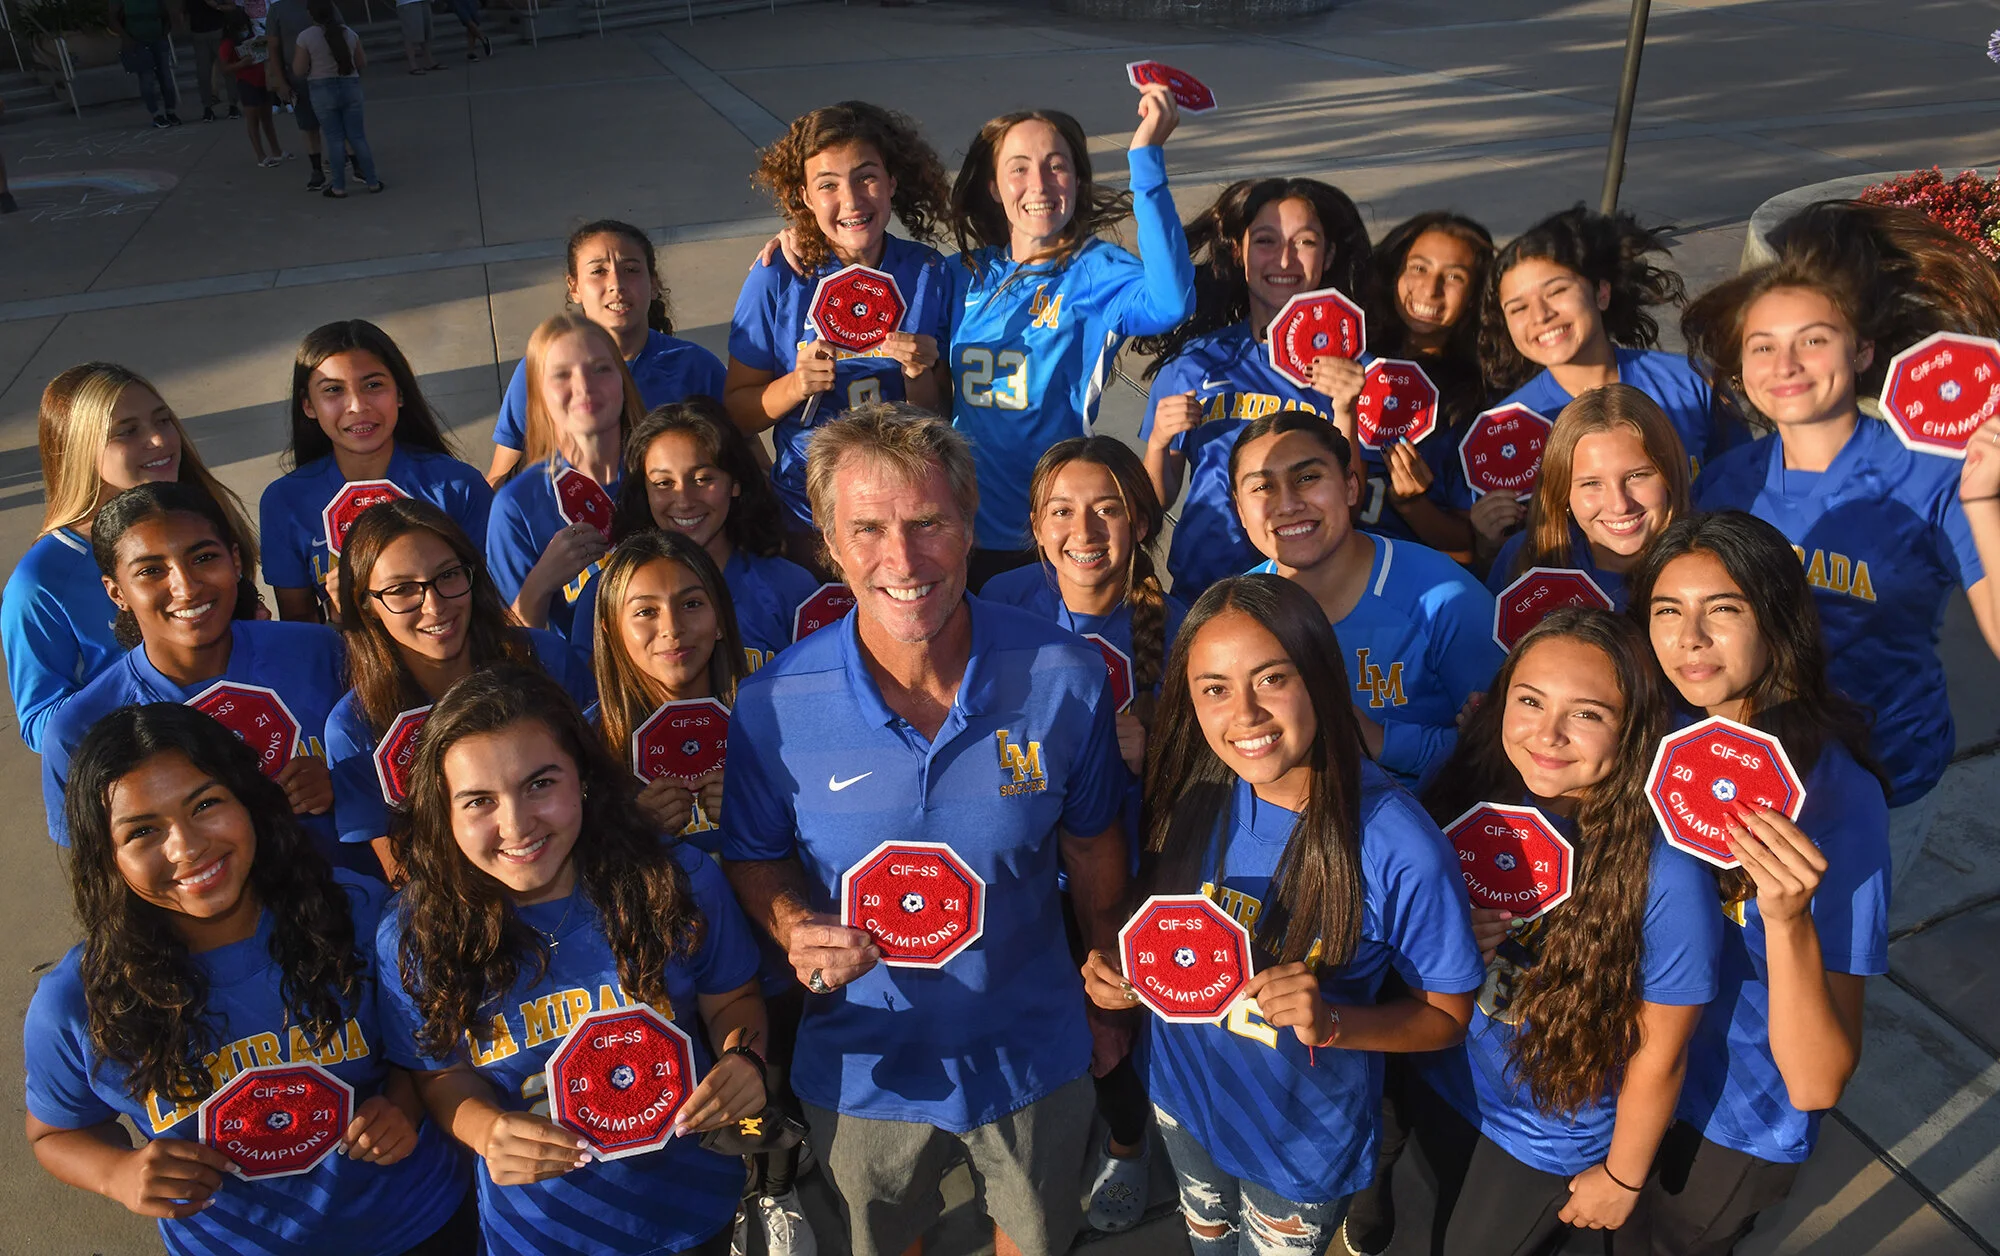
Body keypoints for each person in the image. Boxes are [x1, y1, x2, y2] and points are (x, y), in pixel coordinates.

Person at [720, 404, 1130, 1256]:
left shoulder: (1065, 675)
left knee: (1038, 1239)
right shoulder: (773, 707)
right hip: (864, 1068)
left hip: (1035, 1048)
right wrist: (795, 926)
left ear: (972, 525)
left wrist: (1107, 1000)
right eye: (867, 528)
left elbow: (1092, 843)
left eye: (928, 523)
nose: (901, 560)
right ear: (829, 544)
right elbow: (754, 854)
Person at [1079, 574, 1479, 1253]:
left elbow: (1446, 1017)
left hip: (1299, 1145)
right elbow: (1153, 917)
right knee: (1207, 1244)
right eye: (1214, 689)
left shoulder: (1399, 844)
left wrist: (1332, 1022)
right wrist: (1118, 971)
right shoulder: (1189, 791)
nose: (1245, 715)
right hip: (1183, 1101)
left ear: (1320, 676)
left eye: (1271, 679)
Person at [23, 703, 471, 1254]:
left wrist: (404, 1103)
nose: (186, 848)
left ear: (251, 802)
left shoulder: (358, 915)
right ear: (106, 857)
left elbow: (432, 1050)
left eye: (205, 804)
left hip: (418, 1225)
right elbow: (54, 1132)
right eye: (142, 831)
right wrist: (117, 1172)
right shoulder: (78, 999)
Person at [376, 665, 770, 1255]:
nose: (516, 825)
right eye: (479, 800)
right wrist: (486, 1131)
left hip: (696, 1211)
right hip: (538, 1233)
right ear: (444, 814)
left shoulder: (677, 879)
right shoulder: (414, 936)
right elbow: (439, 1072)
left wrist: (745, 1057)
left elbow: (734, 999)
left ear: (583, 778)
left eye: (541, 784)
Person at [1683, 201, 2000, 885]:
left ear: (1861, 352)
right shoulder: (1726, 484)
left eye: (1814, 340)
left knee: (1848, 963)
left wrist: (1984, 500)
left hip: (1887, 774)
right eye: (1763, 345)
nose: (1785, 364)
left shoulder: (1933, 472)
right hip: (1756, 773)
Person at [1402, 608, 1721, 1255]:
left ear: (1632, 730)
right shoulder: (1475, 781)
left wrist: (1622, 1177)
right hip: (1446, 1077)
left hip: (1543, 1132)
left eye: (1586, 714)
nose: (1547, 735)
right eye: (1529, 701)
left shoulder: (1665, 872)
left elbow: (1661, 1052)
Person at [1627, 511, 1890, 1254]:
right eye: (1667, 611)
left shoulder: (1839, 799)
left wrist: (1787, 919)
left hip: (1730, 1123)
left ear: (1777, 621)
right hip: (1622, 1076)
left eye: (1724, 610)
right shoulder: (1651, 732)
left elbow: (1816, 1084)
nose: (1690, 639)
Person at [980, 436, 1183, 1231]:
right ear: (1034, 525)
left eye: (1108, 509)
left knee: (1115, 1024)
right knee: (1041, 1011)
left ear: (1140, 522)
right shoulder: (998, 600)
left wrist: (1157, 737)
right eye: (1062, 510)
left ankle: (1129, 1146)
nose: (1085, 529)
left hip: (1135, 866)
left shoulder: (1188, 615)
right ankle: (1037, 1155)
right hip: (1027, 865)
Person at [948, 87, 1196, 585]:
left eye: (1056, 165)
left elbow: (1171, 302)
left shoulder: (1094, 271)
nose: (1038, 183)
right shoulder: (962, 274)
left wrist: (1145, 160)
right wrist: (799, 246)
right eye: (1018, 167)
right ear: (994, 186)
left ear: (1078, 182)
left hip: (1053, 534)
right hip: (962, 530)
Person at [40, 484, 351, 874]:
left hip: (353, 910)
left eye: (204, 558)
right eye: (151, 571)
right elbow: (103, 877)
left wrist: (345, 783)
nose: (186, 588)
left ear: (236, 561)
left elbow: (401, 779)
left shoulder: (322, 653)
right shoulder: (80, 731)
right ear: (116, 592)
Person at [726, 101, 952, 565]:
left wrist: (919, 372)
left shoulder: (929, 273)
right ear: (805, 197)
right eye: (827, 184)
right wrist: (795, 385)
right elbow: (736, 415)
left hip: (900, 514)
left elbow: (939, 413)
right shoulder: (778, 276)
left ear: (892, 181)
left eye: (866, 176)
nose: (850, 200)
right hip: (805, 514)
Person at [1232, 410, 1501, 789]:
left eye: (1308, 478)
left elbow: (1504, 749)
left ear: (1351, 487)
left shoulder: (1446, 597)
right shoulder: (1235, 616)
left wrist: (1379, 740)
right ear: (1240, 509)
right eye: (1262, 487)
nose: (1288, 503)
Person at [1134, 177, 1378, 594]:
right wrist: (1158, 442)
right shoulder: (1196, 363)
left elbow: (1357, 505)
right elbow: (1154, 502)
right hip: (1205, 596)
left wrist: (1346, 412)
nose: (1284, 260)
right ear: (1237, 250)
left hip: (1316, 600)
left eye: (1304, 242)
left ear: (1329, 253)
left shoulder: (1359, 371)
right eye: (1266, 240)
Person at [325, 500, 592, 879]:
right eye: (402, 589)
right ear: (366, 604)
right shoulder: (353, 726)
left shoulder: (545, 658)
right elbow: (401, 873)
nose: (434, 606)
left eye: (448, 575)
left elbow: (601, 786)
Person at [4, 363, 260, 754]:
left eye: (163, 420)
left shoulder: (201, 516)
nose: (159, 440)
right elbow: (43, 723)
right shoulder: (40, 581)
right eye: (128, 431)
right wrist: (150, 687)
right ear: (80, 449)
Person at [1471, 206, 1724, 561]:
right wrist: (1486, 540)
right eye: (1518, 308)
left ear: (1601, 293)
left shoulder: (1693, 381)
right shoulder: (1501, 428)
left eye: (1556, 290)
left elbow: (1747, 487)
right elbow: (1509, 560)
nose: (1541, 315)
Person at [260, 320, 490, 623]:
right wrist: (338, 617)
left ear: (400, 393)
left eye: (373, 385)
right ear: (308, 405)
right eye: (333, 390)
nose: (357, 406)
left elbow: (492, 605)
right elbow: (298, 622)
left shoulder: (458, 487)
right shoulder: (284, 500)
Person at [487, 220, 725, 484]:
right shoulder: (542, 370)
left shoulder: (697, 367)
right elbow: (500, 478)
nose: (616, 284)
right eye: (599, 271)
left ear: (654, 283)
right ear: (574, 287)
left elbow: (749, 466)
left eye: (631, 269)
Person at [598, 399, 820, 672]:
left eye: (702, 479)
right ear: (644, 492)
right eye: (663, 483)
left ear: (735, 482)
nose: (684, 500)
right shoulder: (616, 592)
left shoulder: (791, 589)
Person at [485, 314, 643, 642]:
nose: (584, 386)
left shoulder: (663, 476)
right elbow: (512, 649)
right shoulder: (516, 506)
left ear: (623, 382)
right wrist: (542, 581)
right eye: (561, 375)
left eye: (600, 368)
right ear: (538, 396)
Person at [591, 530, 742, 848]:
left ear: (720, 620)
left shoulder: (773, 728)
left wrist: (759, 810)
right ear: (611, 629)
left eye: (691, 604)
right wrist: (632, 829)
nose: (672, 628)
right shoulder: (583, 746)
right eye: (646, 612)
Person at [1485, 383, 1691, 608]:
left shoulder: (1711, 565)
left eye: (1636, 476)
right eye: (1592, 483)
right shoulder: (1522, 559)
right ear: (1562, 491)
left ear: (1670, 474)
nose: (1619, 505)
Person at [1364, 210, 1498, 553]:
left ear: (1476, 295)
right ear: (1395, 271)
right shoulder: (1350, 352)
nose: (1431, 289)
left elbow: (1469, 543)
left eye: (1454, 277)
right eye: (1419, 268)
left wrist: (1412, 504)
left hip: (1408, 573)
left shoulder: (1479, 396)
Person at [293, 0, 384, 198]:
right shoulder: (349, 33)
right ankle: (372, 181)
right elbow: (362, 62)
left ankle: (339, 186)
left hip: (321, 88)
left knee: (334, 139)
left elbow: (298, 70)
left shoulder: (306, 37)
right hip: (349, 85)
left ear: (311, 15)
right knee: (357, 137)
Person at [265, 0, 344, 192]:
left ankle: (347, 162)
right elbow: (273, 48)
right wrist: (281, 81)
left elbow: (341, 31)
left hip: (328, 74)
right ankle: (317, 170)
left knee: (337, 122)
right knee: (308, 126)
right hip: (298, 79)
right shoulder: (277, 9)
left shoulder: (324, 4)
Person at [219, 9, 290, 168]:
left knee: (267, 118)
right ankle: (261, 155)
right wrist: (240, 64)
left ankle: (276, 150)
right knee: (253, 120)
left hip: (262, 79)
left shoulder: (252, 36)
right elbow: (224, 68)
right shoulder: (227, 44)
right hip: (246, 82)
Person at [110, 0, 180, 127]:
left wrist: (164, 34)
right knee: (147, 78)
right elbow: (113, 19)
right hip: (137, 42)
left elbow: (166, 15)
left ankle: (171, 111)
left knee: (166, 77)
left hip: (157, 40)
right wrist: (126, 38)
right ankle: (156, 114)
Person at [184, 0, 241, 123]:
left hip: (217, 31)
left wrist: (217, 6)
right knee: (203, 73)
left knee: (226, 70)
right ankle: (208, 107)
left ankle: (232, 105)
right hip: (199, 34)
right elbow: (183, 12)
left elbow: (231, 6)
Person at [396, 0, 444, 76]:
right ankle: (413, 65)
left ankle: (429, 62)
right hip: (408, 3)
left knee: (426, 31)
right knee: (410, 33)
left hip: (424, 2)